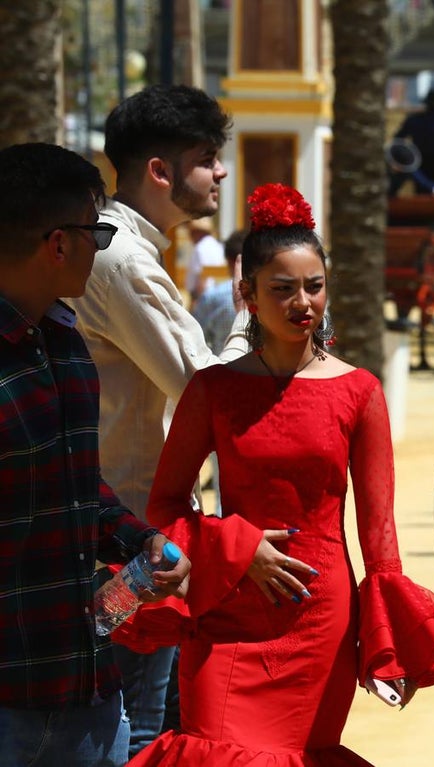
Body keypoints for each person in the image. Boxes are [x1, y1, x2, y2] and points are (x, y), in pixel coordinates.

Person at [120, 183, 434, 765]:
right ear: (247, 294)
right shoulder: (214, 390)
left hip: (317, 618)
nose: (303, 302)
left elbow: (380, 541)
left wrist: (387, 646)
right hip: (226, 607)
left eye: (314, 286)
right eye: (282, 289)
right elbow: (166, 506)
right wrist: (237, 546)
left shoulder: (359, 391)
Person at [0, 142, 191, 767]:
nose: (101, 247)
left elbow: (77, 487)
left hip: (88, 690)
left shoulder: (66, 342)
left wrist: (137, 540)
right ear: (58, 243)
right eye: (96, 232)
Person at [69, 84, 240, 756]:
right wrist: (258, 318)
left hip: (127, 528)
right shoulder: (122, 260)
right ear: (160, 172)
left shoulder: (118, 248)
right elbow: (205, 390)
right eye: (206, 156)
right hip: (130, 540)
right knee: (139, 724)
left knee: (145, 713)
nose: (220, 171)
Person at [388, 88, 434, 198]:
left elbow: (398, 140)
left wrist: (407, 157)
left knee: (422, 197)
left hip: (420, 164)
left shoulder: (414, 120)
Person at [192, 228, 244, 355]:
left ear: (229, 261)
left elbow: (194, 340)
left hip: (221, 367)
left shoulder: (212, 297)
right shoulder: (271, 294)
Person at [184, 217, 226, 305]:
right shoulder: (217, 246)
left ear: (197, 232)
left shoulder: (200, 248)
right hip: (219, 295)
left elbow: (202, 278)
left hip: (203, 297)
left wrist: (195, 302)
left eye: (191, 232)